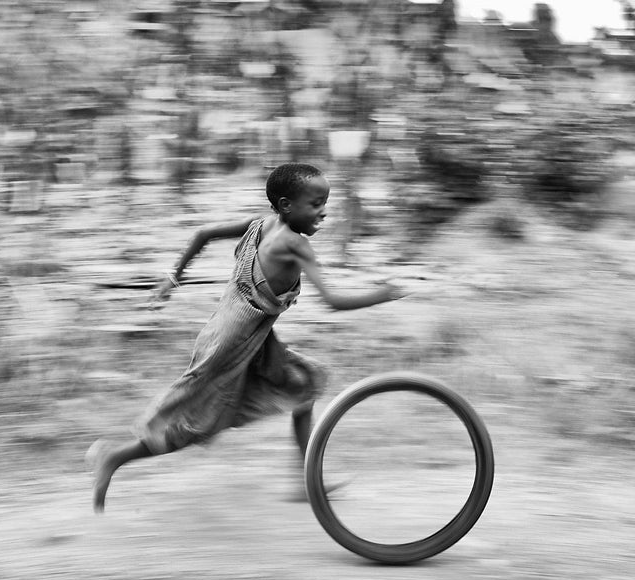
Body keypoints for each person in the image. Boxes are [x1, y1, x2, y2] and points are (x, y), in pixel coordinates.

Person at [88, 162, 403, 513]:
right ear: (286, 205)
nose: (324, 211)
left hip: (239, 336)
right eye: (315, 203)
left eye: (324, 202)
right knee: (196, 425)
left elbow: (203, 234)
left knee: (302, 385)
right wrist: (384, 295)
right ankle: (114, 457)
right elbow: (332, 301)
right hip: (231, 346)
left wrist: (172, 281)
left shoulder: (261, 225)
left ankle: (307, 478)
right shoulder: (296, 246)